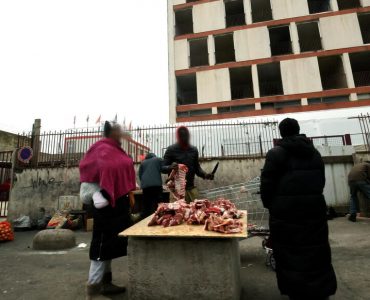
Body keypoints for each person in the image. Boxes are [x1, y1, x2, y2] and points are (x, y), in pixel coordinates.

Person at [260, 118, 337, 300]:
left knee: (290, 254)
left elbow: (267, 187)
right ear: (298, 130)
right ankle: (320, 291)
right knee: (315, 251)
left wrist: (272, 206)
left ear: (281, 132)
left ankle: (297, 292)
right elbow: (321, 182)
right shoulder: (315, 153)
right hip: (313, 212)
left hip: (286, 215)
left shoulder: (275, 154)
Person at [79, 121, 136, 299]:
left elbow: (123, 168)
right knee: (102, 246)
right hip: (104, 205)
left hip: (118, 204)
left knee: (110, 246)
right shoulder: (100, 148)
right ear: (110, 132)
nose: (121, 134)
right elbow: (88, 171)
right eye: (117, 131)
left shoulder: (117, 150)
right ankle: (93, 288)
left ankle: (106, 283)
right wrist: (98, 194)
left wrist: (130, 187)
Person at [163, 126, 214, 203]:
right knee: (178, 213)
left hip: (191, 189)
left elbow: (197, 168)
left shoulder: (193, 150)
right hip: (176, 191)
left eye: (186, 135)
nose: (184, 137)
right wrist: (170, 167)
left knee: (197, 212)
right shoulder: (171, 150)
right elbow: (162, 168)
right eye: (182, 135)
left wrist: (205, 175)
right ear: (178, 137)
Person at [139, 153, 164, 217]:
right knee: (157, 203)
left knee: (146, 203)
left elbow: (140, 175)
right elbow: (163, 169)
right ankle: (158, 217)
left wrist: (144, 183)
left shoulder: (143, 162)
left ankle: (144, 218)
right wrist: (171, 167)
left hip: (145, 186)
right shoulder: (157, 159)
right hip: (156, 186)